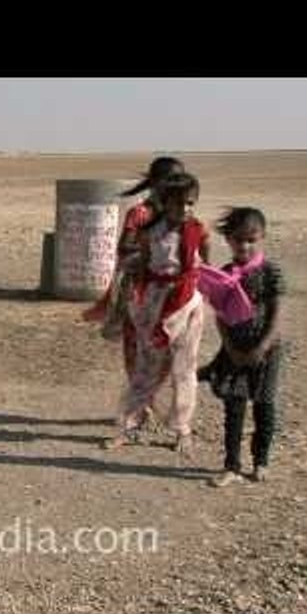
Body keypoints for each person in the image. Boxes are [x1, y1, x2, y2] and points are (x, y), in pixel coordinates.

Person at [105, 173, 209, 455]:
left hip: (187, 307)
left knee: (184, 370)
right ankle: (129, 426)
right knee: (145, 367)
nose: (184, 209)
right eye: (177, 204)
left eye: (189, 203)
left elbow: (204, 266)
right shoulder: (151, 231)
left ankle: (182, 430)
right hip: (154, 305)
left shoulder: (198, 230)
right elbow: (144, 264)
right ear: (164, 204)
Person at [198, 208, 286, 486]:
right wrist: (229, 347)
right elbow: (221, 315)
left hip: (268, 351)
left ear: (262, 237)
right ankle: (231, 466)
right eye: (238, 240)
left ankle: (261, 461)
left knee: (264, 406)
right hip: (234, 350)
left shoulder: (271, 272)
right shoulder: (224, 275)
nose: (244, 245)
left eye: (251, 239)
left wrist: (263, 345)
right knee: (234, 408)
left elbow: (277, 313)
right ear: (228, 240)